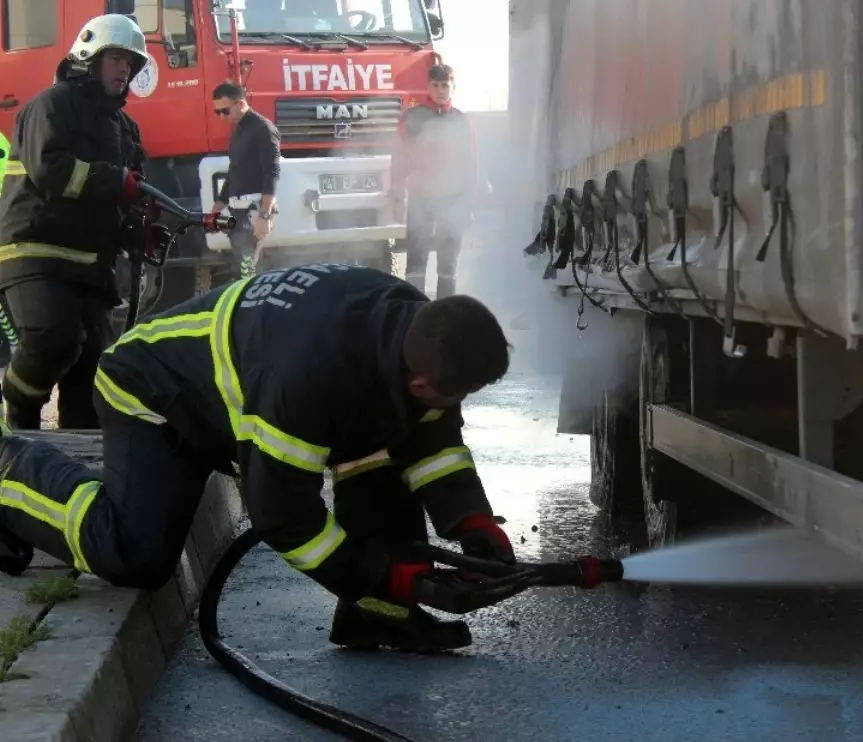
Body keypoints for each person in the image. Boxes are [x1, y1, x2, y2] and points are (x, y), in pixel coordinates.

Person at [0, 264, 516, 652]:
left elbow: (431, 441)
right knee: (134, 554)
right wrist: (381, 574)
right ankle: (9, 473)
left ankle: (379, 616)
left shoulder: (414, 329)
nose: (461, 404)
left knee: (377, 455)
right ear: (423, 382)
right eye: (461, 393)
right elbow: (285, 516)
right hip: (155, 396)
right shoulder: (308, 377)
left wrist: (473, 521)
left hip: (235, 395)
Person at [0, 14, 149, 430]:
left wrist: (142, 225)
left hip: (92, 265)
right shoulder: (51, 105)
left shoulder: (125, 129)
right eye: (116, 58)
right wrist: (115, 181)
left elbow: (132, 192)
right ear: (89, 55)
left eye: (130, 64)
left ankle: (76, 469)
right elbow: (51, 169)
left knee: (93, 374)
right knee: (54, 340)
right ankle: (17, 416)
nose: (124, 70)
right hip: (35, 252)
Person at [390, 63, 479, 299]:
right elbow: (398, 160)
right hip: (421, 197)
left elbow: (472, 163)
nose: (440, 90)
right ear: (428, 87)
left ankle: (446, 311)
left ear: (453, 87)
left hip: (454, 198)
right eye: (436, 85)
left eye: (445, 85)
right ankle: (415, 311)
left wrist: (469, 204)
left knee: (448, 262)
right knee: (416, 260)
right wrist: (397, 196)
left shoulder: (462, 121)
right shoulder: (412, 118)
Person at [208, 81, 280, 284]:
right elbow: (234, 171)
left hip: (255, 209)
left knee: (247, 267)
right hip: (238, 211)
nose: (221, 117)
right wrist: (217, 207)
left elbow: (272, 171)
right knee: (240, 264)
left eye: (225, 111)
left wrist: (264, 214)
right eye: (217, 113)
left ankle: (255, 306)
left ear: (240, 104)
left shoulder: (263, 128)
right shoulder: (238, 131)